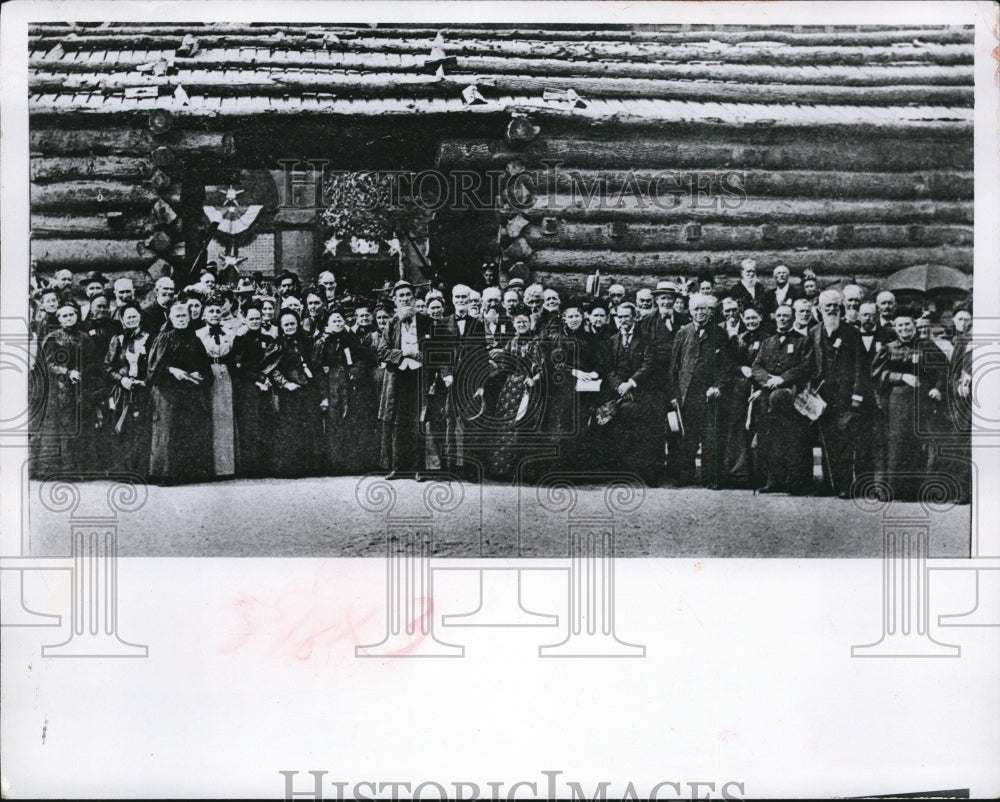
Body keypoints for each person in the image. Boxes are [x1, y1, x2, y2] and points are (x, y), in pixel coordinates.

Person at [377, 280, 449, 480]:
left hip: (420, 377)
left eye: (408, 295)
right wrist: (404, 353)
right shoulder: (391, 323)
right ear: (395, 300)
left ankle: (419, 468)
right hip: (398, 377)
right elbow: (382, 351)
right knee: (398, 422)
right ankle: (398, 467)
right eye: (401, 296)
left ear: (414, 298)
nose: (405, 299)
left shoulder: (427, 322)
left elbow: (437, 353)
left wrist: (422, 356)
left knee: (419, 421)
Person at [871, 316, 946, 501]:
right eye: (900, 325)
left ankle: (917, 490)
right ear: (895, 328)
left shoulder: (927, 347)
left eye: (908, 325)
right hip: (897, 404)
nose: (904, 328)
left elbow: (943, 370)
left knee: (919, 444)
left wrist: (937, 388)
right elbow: (877, 375)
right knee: (897, 443)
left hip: (923, 403)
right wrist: (901, 376)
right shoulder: (889, 349)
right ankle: (894, 489)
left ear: (914, 327)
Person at [805, 289, 870, 498]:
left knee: (844, 440)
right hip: (822, 397)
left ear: (840, 308)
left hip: (845, 395)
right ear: (820, 309)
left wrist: (857, 394)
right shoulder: (814, 332)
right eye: (828, 307)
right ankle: (827, 484)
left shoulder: (851, 332)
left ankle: (843, 486)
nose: (832, 309)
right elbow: (808, 363)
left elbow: (861, 366)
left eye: (835, 306)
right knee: (826, 440)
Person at [146, 301, 214, 485]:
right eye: (178, 316)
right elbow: (153, 368)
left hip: (189, 391)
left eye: (184, 315)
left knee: (189, 428)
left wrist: (198, 373)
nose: (182, 319)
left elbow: (204, 366)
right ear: (170, 317)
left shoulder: (195, 339)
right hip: (168, 391)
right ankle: (166, 474)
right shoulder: (164, 338)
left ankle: (189, 473)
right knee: (168, 429)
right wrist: (172, 370)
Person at [670, 293, 733, 488]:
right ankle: (685, 476)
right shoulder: (683, 333)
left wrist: (718, 387)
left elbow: (726, 366)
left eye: (703, 309)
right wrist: (674, 394)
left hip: (710, 394)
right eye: (696, 309)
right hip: (687, 393)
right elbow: (674, 365)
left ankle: (712, 478)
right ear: (690, 311)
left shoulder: (719, 334)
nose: (700, 313)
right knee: (688, 437)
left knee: (711, 437)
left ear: (709, 311)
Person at [751, 304, 811, 494]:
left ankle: (794, 482)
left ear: (793, 318)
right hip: (768, 396)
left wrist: (782, 379)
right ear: (775, 318)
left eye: (786, 316)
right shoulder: (767, 342)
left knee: (792, 440)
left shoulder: (803, 341)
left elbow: (806, 366)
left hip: (791, 397)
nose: (783, 319)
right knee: (770, 439)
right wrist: (768, 380)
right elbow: (756, 366)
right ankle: (773, 481)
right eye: (779, 316)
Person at [34, 302, 99, 477]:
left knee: (81, 425)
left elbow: (92, 362)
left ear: (77, 316)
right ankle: (60, 469)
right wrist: (67, 373)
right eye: (64, 316)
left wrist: (82, 374)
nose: (68, 318)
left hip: (82, 386)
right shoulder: (53, 337)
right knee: (62, 426)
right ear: (59, 319)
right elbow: (49, 364)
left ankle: (80, 467)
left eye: (71, 315)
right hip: (60, 388)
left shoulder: (84, 337)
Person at [314, 307, 378, 474]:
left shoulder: (350, 338)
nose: (337, 323)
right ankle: (335, 464)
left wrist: (355, 370)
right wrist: (323, 394)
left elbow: (363, 356)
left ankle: (351, 464)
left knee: (350, 419)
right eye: (334, 320)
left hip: (350, 384)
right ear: (328, 324)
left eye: (340, 320)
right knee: (333, 422)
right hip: (331, 384)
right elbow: (317, 368)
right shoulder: (322, 341)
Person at [486, 304, 542, 481]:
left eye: (524, 322)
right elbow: (505, 367)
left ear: (530, 322)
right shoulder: (511, 342)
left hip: (527, 388)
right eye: (518, 322)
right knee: (504, 424)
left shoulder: (536, 342)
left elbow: (541, 368)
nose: (521, 325)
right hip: (510, 387)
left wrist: (533, 379)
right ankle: (501, 470)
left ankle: (522, 471)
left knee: (522, 426)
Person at [266, 309, 323, 478]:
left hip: (308, 388)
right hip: (289, 391)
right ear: (281, 327)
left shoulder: (308, 340)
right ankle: (293, 468)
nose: (290, 327)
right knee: (291, 428)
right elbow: (272, 369)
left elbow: (316, 364)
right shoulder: (277, 343)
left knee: (311, 425)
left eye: (292, 323)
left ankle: (313, 467)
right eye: (286, 325)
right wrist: (285, 384)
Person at [637, 281, 681, 484]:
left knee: (676, 426)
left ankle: (675, 471)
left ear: (675, 300)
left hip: (677, 382)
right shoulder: (646, 321)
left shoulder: (683, 320)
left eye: (669, 298)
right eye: (662, 298)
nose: (666, 301)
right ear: (656, 300)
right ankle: (653, 473)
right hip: (653, 383)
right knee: (653, 428)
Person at [104, 302, 153, 476]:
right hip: (122, 390)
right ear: (123, 320)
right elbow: (108, 368)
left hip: (143, 390)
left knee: (141, 428)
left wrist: (144, 381)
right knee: (122, 427)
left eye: (134, 316)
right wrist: (122, 379)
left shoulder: (150, 338)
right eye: (128, 317)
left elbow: (154, 365)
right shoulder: (117, 340)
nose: (131, 320)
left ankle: (141, 470)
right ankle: (123, 470)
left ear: (140, 317)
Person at [230, 302, 276, 477]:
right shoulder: (241, 340)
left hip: (266, 384)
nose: (256, 321)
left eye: (258, 318)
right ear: (246, 320)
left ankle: (266, 464)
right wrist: (258, 379)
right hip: (248, 386)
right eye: (252, 319)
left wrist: (266, 378)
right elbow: (238, 367)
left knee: (265, 422)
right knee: (250, 425)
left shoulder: (268, 339)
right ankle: (251, 467)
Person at [196, 295, 238, 478]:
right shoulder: (198, 334)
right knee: (209, 417)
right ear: (204, 314)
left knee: (225, 418)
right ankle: (209, 467)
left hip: (225, 374)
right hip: (207, 374)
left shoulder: (230, 333)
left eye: (217, 311)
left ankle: (226, 468)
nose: (214, 314)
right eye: (211, 311)